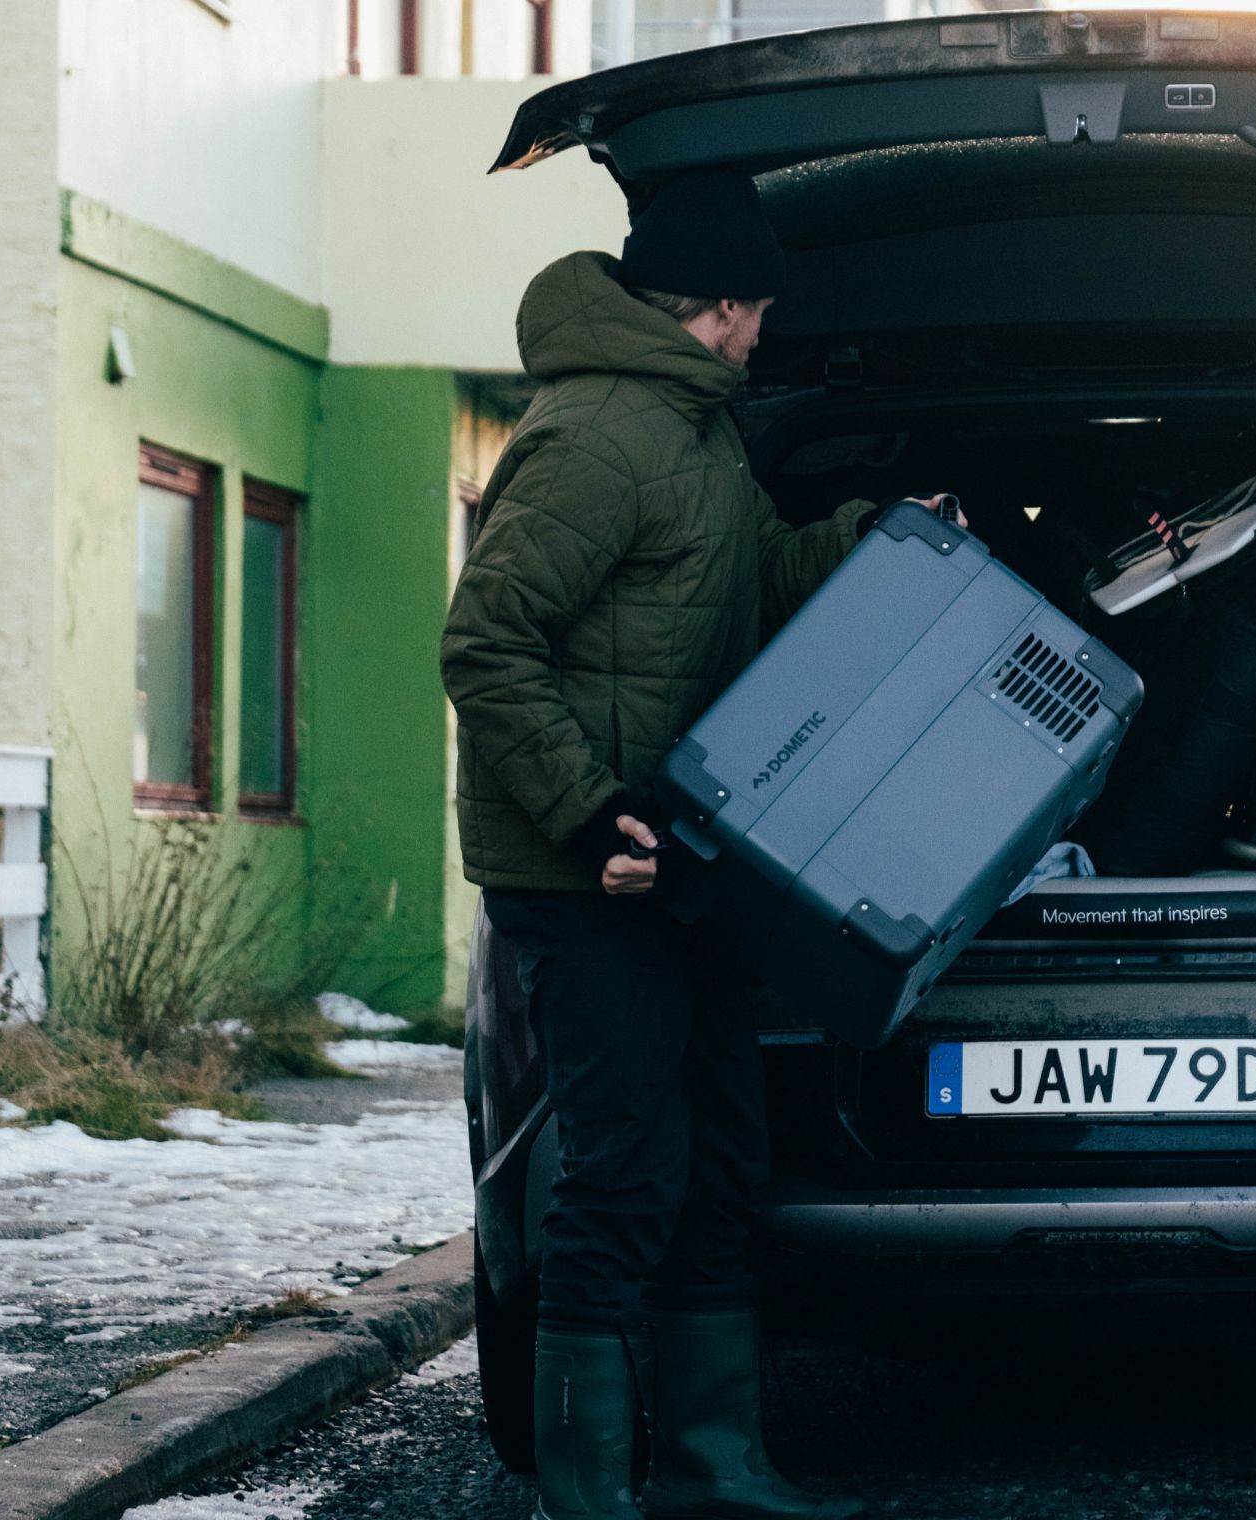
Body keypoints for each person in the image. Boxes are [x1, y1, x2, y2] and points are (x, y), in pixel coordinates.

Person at [443, 171, 902, 1520]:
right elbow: (485, 641)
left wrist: (883, 535)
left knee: (716, 1163)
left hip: (683, 863)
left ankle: (717, 1466)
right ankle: (586, 1494)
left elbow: (753, 579)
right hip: (585, 875)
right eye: (758, 310)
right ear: (717, 307)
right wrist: (592, 812)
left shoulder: (695, 433)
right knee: (624, 1170)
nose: (766, 336)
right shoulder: (596, 436)